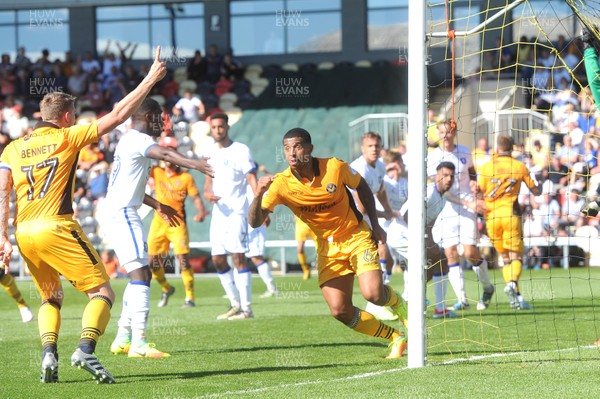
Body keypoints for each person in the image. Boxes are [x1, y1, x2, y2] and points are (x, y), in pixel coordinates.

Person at [0, 46, 168, 384]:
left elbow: (3, 191)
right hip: (57, 226)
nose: (76, 120)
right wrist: (150, 78)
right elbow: (119, 114)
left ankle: (49, 353)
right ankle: (86, 350)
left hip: (24, 232)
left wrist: (2, 235)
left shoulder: (13, 148)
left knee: (51, 296)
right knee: (103, 293)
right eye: (74, 115)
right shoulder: (68, 137)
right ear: (65, 117)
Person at [249, 128, 408, 359]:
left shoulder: (335, 167)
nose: (291, 153)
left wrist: (375, 224)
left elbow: (362, 186)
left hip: (356, 236)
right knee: (340, 310)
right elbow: (254, 222)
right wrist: (257, 195)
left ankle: (400, 305)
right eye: (286, 148)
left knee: (373, 294)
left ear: (310, 148)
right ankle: (395, 337)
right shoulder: (281, 184)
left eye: (297, 146)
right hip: (327, 248)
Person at [107, 97, 213, 359]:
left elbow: (131, 186)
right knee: (142, 276)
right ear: (148, 115)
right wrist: (197, 164)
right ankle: (139, 343)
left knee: (139, 275)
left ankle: (122, 337)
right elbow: (165, 153)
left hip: (121, 210)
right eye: (160, 117)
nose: (163, 123)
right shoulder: (139, 140)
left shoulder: (127, 141)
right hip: (123, 213)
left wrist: (157, 205)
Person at [427, 121, 494, 311]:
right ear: (438, 134)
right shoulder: (433, 157)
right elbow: (442, 189)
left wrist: (475, 187)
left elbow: (472, 174)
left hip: (467, 209)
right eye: (441, 132)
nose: (445, 135)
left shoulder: (464, 151)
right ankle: (462, 299)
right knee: (450, 253)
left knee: (470, 252)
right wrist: (469, 202)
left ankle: (488, 288)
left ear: (454, 132)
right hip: (446, 208)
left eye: (448, 132)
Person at [386, 162, 459, 318]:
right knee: (426, 261)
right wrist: (423, 242)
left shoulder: (443, 198)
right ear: (436, 175)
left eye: (452, 176)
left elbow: (428, 225)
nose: (448, 179)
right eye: (445, 175)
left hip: (412, 235)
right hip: (400, 234)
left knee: (439, 259)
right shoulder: (429, 192)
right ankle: (408, 301)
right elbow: (407, 216)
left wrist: (430, 244)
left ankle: (438, 308)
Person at [204, 113, 257, 320]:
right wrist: (208, 193)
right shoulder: (209, 152)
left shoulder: (240, 150)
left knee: (238, 257)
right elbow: (208, 182)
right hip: (219, 214)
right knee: (217, 259)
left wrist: (258, 203)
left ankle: (247, 309)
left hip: (237, 212)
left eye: (221, 126)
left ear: (227, 127)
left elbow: (251, 178)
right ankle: (235, 304)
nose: (218, 130)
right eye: (214, 127)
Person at [478, 134, 541, 309]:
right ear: (512, 148)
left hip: (491, 218)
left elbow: (478, 191)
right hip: (510, 216)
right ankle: (512, 284)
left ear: (497, 149)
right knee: (516, 257)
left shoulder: (486, 167)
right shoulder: (518, 166)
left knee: (505, 259)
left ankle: (517, 298)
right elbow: (535, 191)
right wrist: (540, 184)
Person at [350, 132, 397, 321]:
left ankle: (375, 304)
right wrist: (382, 216)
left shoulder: (379, 167)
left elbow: (381, 190)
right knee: (380, 252)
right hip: (352, 221)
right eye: (370, 146)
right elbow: (360, 207)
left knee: (383, 254)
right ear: (363, 149)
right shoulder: (358, 168)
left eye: (377, 146)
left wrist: (389, 211)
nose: (374, 149)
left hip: (365, 219)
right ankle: (375, 303)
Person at [148, 160, 207, 309]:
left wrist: (201, 212)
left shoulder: (186, 177)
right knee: (151, 262)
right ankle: (166, 288)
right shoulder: (156, 171)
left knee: (183, 260)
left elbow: (195, 197)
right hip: (159, 222)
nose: (168, 160)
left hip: (177, 223)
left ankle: (190, 297)